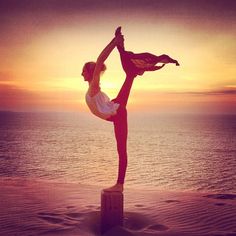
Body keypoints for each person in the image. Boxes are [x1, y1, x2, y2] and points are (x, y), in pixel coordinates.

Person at [82, 27, 179, 192]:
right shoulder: (93, 88)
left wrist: (114, 41)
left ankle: (120, 185)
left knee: (121, 149)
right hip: (116, 107)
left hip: (117, 112)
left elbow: (100, 60)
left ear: (90, 73)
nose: (81, 73)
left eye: (83, 70)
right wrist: (117, 41)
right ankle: (123, 48)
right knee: (130, 75)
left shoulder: (93, 87)